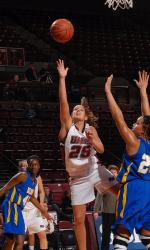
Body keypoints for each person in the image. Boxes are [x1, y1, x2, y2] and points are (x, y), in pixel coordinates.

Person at [57, 59, 105, 250]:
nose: (76, 109)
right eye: (75, 108)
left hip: (94, 169)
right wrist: (62, 79)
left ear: (85, 116)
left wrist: (93, 141)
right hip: (77, 177)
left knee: (121, 191)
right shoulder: (68, 127)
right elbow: (63, 102)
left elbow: (101, 150)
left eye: (80, 109)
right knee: (78, 220)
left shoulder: (91, 128)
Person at [105, 70, 150, 250]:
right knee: (147, 235)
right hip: (149, 191)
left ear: (142, 130)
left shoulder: (134, 142)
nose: (134, 124)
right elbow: (148, 117)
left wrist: (108, 92)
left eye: (137, 123)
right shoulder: (148, 140)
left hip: (134, 189)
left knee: (122, 233)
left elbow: (119, 120)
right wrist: (143, 91)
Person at [0, 156, 52, 250]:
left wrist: (44, 212)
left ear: (39, 166)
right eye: (31, 164)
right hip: (11, 205)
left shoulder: (34, 181)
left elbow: (31, 198)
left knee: (10, 240)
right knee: (20, 240)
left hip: (18, 208)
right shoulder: (22, 176)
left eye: (36, 164)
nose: (34, 166)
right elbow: (4, 189)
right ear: (28, 166)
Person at [19, 157, 48, 250]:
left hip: (34, 209)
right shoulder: (20, 177)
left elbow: (41, 191)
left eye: (26, 165)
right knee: (20, 237)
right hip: (22, 209)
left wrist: (41, 203)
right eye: (23, 166)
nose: (25, 167)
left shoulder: (37, 177)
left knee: (42, 235)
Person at [94, 164, 119, 250]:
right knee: (106, 234)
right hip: (107, 212)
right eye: (111, 172)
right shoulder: (104, 183)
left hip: (118, 213)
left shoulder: (121, 183)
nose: (113, 174)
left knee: (118, 234)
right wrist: (96, 211)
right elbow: (98, 197)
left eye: (115, 172)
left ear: (117, 173)